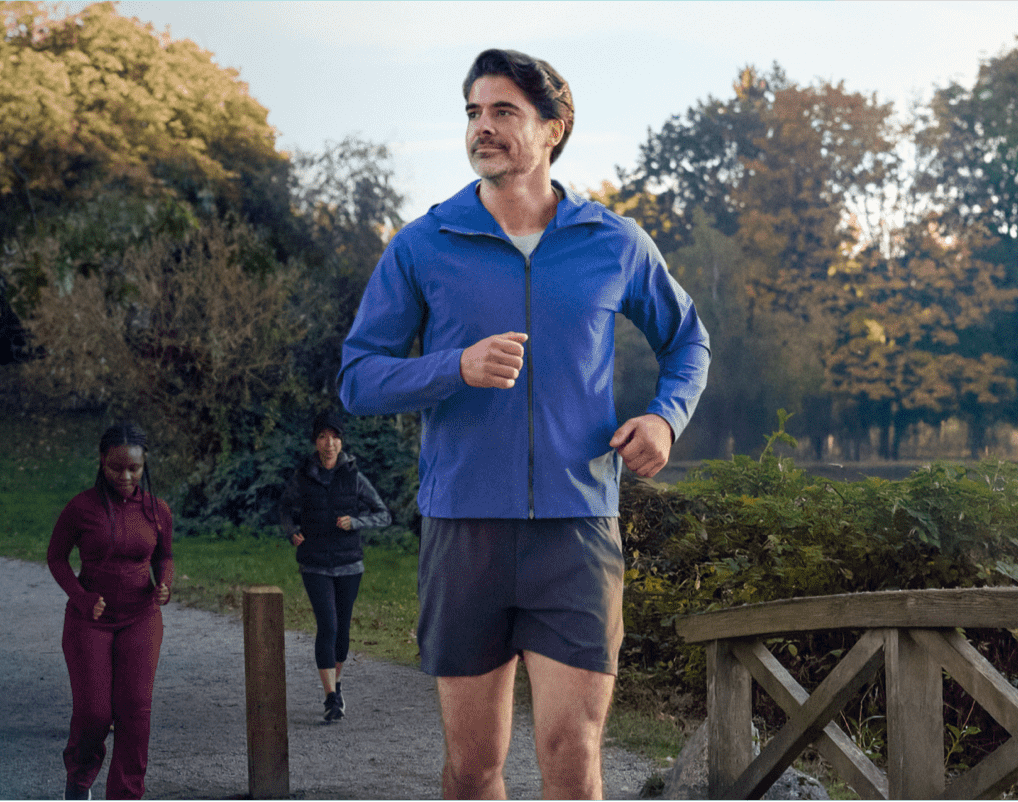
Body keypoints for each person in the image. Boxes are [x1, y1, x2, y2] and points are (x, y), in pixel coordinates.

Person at [338, 48, 710, 800]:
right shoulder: (424, 244)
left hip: (576, 532)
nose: (483, 127)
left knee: (572, 753)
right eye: (474, 112)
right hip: (463, 530)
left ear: (553, 128)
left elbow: (688, 342)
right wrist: (454, 366)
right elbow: (358, 378)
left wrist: (666, 421)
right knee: (474, 768)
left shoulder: (614, 243)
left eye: (504, 111)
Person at [45, 422, 175, 800]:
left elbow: (165, 555)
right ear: (102, 462)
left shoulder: (156, 510)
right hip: (91, 621)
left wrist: (165, 581)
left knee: (135, 712)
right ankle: (80, 781)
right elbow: (56, 558)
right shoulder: (81, 508)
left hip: (142, 616)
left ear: (144, 463)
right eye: (117, 467)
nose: (126, 476)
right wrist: (83, 597)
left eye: (133, 468)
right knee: (95, 714)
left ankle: (126, 794)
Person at [279, 410, 391, 724]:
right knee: (327, 624)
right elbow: (285, 508)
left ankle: (336, 687)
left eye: (335, 437)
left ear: (341, 440)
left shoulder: (354, 476)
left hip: (349, 563)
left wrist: (355, 522)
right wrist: (291, 531)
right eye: (323, 437)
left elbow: (383, 514)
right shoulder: (304, 475)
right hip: (314, 562)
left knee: (342, 629)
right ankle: (330, 697)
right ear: (315, 441)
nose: (329, 443)